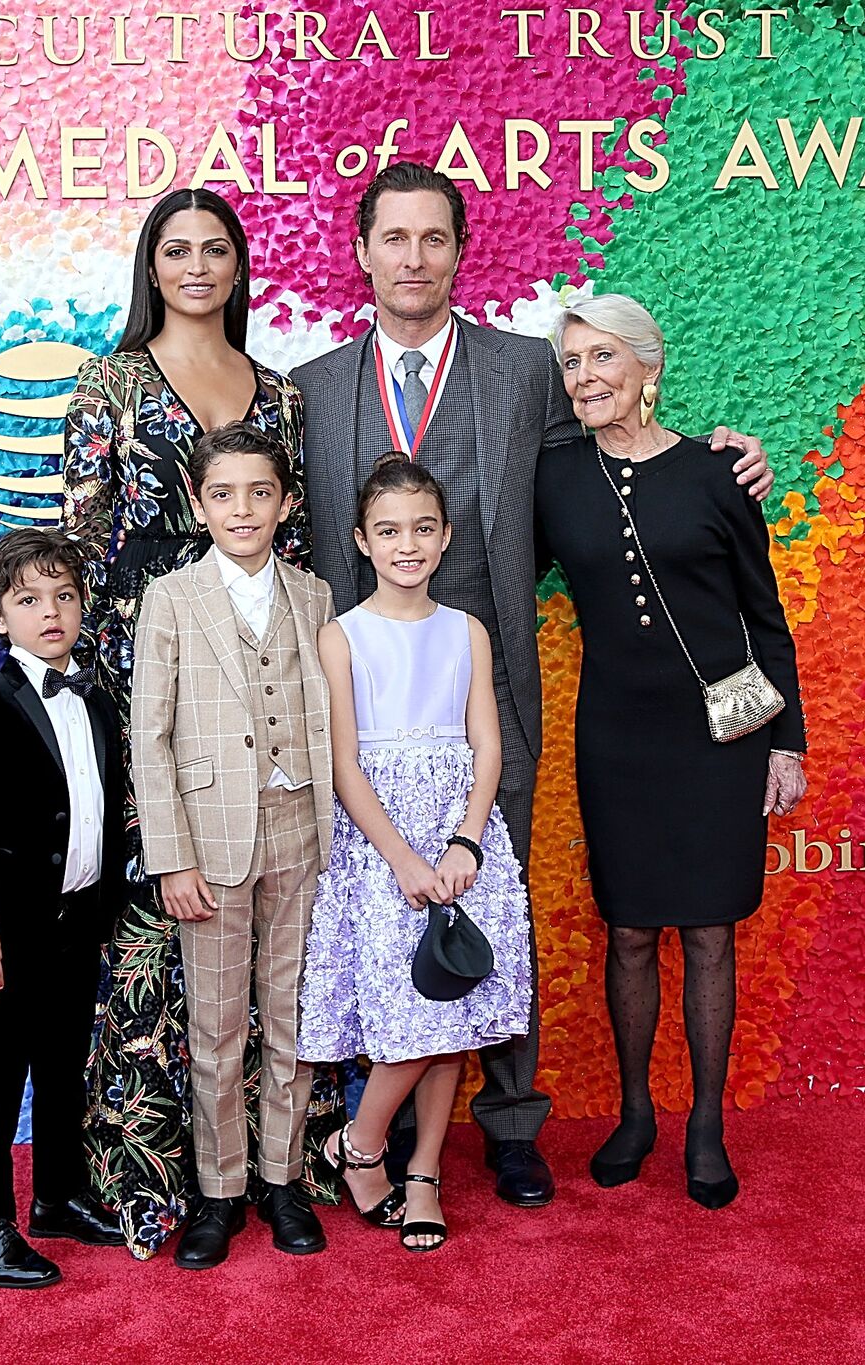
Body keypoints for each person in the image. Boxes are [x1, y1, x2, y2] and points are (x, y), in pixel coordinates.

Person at [290, 161, 774, 1205]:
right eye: (393, 238)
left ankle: (509, 1125)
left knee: (489, 901)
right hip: (362, 698)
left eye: (433, 238)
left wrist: (723, 457)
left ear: (458, 252)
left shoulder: (522, 373)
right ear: (361, 252)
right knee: (371, 905)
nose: (412, 257)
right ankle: (357, 1121)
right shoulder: (314, 389)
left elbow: (618, 452)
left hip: (488, 689)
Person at [64, 188, 341, 1257]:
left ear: (237, 266)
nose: (194, 266)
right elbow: (84, 544)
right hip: (154, 690)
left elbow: (302, 537)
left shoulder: (275, 390)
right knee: (171, 953)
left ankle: (283, 1172)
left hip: (266, 699)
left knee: (284, 976)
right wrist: (115, 703)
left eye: (213, 249)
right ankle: (168, 1174)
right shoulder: (110, 383)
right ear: (151, 264)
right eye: (174, 249)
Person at [537, 292, 807, 1209]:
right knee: (628, 932)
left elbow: (766, 618)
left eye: (602, 357)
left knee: (709, 932)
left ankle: (705, 1125)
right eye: (572, 363)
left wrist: (789, 744)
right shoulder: (554, 477)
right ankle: (636, 1112)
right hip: (617, 738)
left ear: (648, 367)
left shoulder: (720, 473)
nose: (586, 378)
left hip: (720, 739)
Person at [301, 454, 535, 1253]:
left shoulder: (465, 629)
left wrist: (467, 838)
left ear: (445, 539)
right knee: (413, 1017)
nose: (408, 544)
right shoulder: (340, 636)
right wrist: (403, 857)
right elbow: (342, 765)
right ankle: (361, 1147)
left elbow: (487, 745)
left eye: (423, 529)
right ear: (362, 541)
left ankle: (425, 1170)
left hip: (463, 842)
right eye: (390, 530)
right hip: (379, 847)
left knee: (456, 1005)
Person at [130, 423, 338, 1269]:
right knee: (217, 1027)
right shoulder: (172, 600)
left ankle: (282, 1181)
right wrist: (170, 855)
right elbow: (150, 736)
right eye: (223, 494)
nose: (243, 508)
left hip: (300, 829)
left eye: (260, 492)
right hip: (210, 845)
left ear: (286, 502)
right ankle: (218, 1191)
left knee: (289, 1015)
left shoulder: (316, 595)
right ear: (197, 504)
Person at [0, 528, 128, 1288]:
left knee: (62, 1068)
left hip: (79, 915)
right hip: (7, 926)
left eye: (64, 597)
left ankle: (59, 1194)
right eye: (29, 600)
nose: (50, 612)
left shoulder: (98, 696)